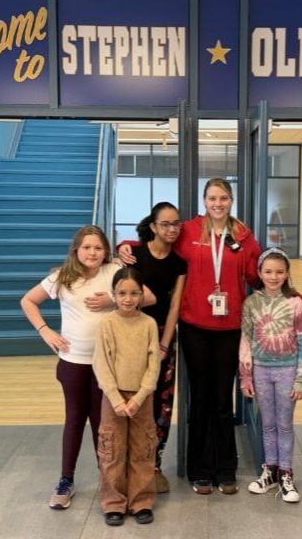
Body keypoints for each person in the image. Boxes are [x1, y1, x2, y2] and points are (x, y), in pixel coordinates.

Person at [119, 178, 260, 495]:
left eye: (223, 198)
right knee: (200, 399)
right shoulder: (189, 231)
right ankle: (199, 470)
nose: (218, 204)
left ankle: (225, 470)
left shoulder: (243, 236)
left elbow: (258, 273)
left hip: (229, 328)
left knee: (223, 400)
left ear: (231, 200)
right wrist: (123, 247)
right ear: (204, 200)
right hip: (194, 326)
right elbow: (155, 245)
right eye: (212, 198)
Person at [20, 225, 152, 510]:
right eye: (86, 247)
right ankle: (66, 480)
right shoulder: (62, 277)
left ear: (106, 251)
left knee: (105, 427)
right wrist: (46, 331)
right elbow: (28, 301)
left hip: (110, 367)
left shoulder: (113, 270)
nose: (92, 253)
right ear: (76, 250)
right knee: (75, 420)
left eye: (98, 248)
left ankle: (109, 481)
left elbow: (148, 297)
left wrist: (112, 299)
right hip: (74, 363)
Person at [238, 248, 302, 503]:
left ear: (287, 273)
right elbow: (246, 339)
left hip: (288, 370)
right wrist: (246, 376)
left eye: (279, 271)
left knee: (284, 423)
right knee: (267, 423)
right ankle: (270, 470)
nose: (273, 276)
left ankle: (286, 473)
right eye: (268, 271)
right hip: (261, 370)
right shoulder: (251, 303)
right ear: (259, 273)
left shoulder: (297, 304)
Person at [92, 267, 162, 526]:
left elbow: (154, 363)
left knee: (143, 448)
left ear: (142, 295)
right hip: (114, 399)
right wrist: (117, 399)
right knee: (112, 449)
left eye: (134, 293)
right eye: (122, 293)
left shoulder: (148, 324)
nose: (128, 298)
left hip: (142, 398)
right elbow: (101, 363)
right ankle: (113, 502)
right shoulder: (107, 324)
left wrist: (140, 395)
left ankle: (141, 501)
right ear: (114, 294)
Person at [131, 202, 187, 493]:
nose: (172, 229)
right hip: (133, 336)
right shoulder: (135, 255)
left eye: (176, 223)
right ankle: (132, 467)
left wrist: (166, 343)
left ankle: (154, 465)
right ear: (153, 226)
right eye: (165, 224)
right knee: (134, 398)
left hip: (164, 337)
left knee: (161, 403)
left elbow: (176, 303)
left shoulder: (179, 263)